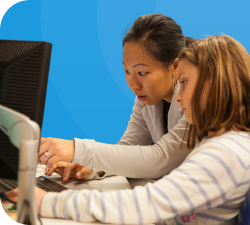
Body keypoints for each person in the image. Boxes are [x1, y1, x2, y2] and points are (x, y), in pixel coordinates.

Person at [5, 35, 250, 224]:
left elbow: (146, 203)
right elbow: (131, 149)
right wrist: (94, 169)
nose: (178, 97)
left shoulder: (225, 153)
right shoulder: (218, 143)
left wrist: (49, 202)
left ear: (214, 83)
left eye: (184, 83)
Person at [39, 14, 194, 181]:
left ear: (175, 66)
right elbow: (130, 147)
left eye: (142, 72)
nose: (133, 84)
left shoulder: (198, 98)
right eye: (127, 71)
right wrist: (89, 166)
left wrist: (79, 150)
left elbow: (162, 159)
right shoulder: (147, 97)